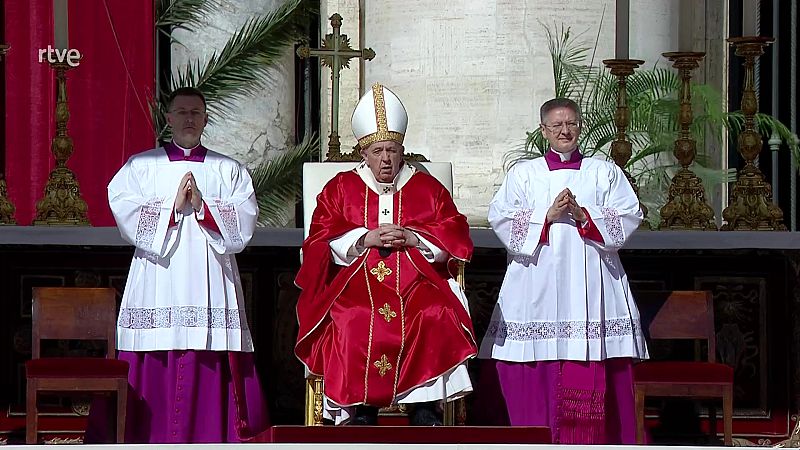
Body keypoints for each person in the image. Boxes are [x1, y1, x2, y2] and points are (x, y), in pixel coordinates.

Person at [295, 83, 477, 426]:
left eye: (392, 150)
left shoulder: (427, 187)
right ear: (364, 153)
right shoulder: (341, 188)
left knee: (434, 313)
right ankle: (362, 410)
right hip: (355, 282)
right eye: (378, 151)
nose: (386, 159)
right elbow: (318, 237)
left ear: (402, 149)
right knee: (352, 317)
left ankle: (425, 409)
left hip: (417, 282)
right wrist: (364, 238)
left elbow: (455, 231)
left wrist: (414, 237)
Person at [95, 87, 268, 443]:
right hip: (159, 275)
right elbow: (123, 208)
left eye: (196, 113)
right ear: (168, 119)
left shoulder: (228, 169)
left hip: (211, 275)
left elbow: (245, 220)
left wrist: (204, 207)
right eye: (182, 112)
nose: (189, 119)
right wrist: (172, 207)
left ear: (206, 120)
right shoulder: (142, 166)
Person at [477, 98, 648, 444]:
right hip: (537, 281)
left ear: (580, 125)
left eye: (570, 123)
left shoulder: (604, 171)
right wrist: (547, 215)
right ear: (544, 131)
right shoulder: (525, 174)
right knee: (533, 363)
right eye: (556, 126)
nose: (564, 131)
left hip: (595, 279)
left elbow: (630, 214)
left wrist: (585, 216)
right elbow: (501, 217)